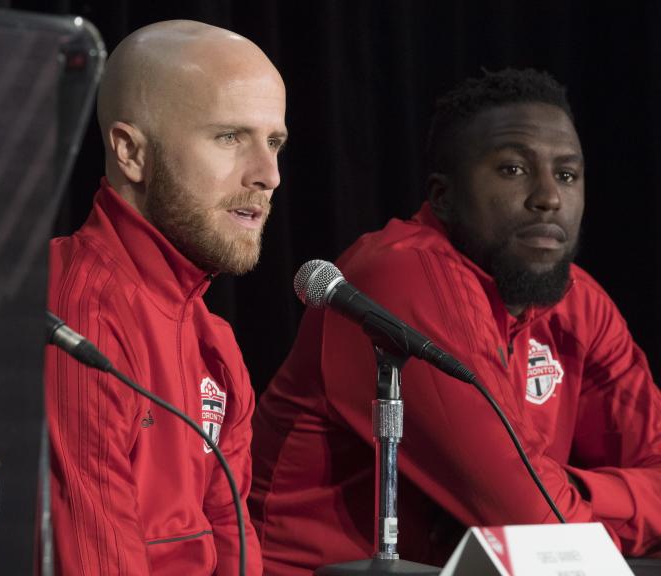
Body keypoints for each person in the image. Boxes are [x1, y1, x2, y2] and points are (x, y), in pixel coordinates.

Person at [249, 68, 661, 574]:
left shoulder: (581, 303)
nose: (548, 197)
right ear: (443, 197)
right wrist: (596, 502)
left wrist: (574, 490)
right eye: (512, 170)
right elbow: (535, 524)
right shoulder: (402, 276)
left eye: (568, 174)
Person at [45, 20, 287, 575]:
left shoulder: (214, 340)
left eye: (274, 142)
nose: (268, 174)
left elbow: (235, 545)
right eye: (230, 137)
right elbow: (95, 561)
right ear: (131, 152)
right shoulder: (77, 313)